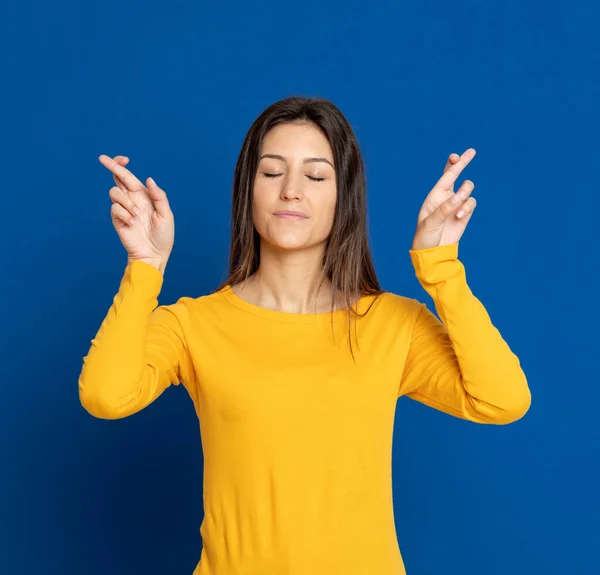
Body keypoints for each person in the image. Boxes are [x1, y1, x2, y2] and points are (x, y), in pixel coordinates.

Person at [78, 96, 531, 575]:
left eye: (315, 176)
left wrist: (442, 269)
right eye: (271, 173)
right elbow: (106, 396)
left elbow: (502, 401)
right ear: (247, 190)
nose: (291, 191)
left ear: (343, 196)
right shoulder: (194, 325)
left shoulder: (394, 324)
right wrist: (145, 267)